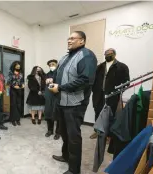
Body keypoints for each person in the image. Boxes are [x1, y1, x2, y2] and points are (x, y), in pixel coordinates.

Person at [48, 31, 97, 174]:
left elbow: (85, 80)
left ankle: (74, 170)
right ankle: (66, 156)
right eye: (68, 38)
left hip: (75, 105)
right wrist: (52, 79)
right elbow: (58, 74)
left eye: (73, 38)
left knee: (73, 137)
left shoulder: (87, 56)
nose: (69, 41)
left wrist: (61, 87)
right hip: (61, 102)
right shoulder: (65, 57)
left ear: (82, 41)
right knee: (64, 133)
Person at [90, 48, 130, 139]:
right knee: (98, 112)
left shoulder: (122, 67)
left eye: (110, 53)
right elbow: (93, 80)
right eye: (106, 53)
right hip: (98, 94)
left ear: (114, 54)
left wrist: (118, 92)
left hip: (112, 95)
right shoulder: (100, 67)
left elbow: (126, 82)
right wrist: (94, 90)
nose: (108, 55)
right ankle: (97, 131)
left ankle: (109, 135)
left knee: (110, 114)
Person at [44, 59, 60, 140]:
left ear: (57, 64)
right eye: (50, 65)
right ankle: (50, 130)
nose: (51, 66)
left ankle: (58, 132)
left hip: (57, 97)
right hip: (49, 97)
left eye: (53, 64)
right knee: (48, 113)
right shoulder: (47, 74)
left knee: (57, 115)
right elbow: (46, 86)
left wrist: (51, 83)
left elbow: (59, 85)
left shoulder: (60, 73)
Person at [7, 61, 25, 126]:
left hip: (19, 90)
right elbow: (8, 82)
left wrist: (23, 84)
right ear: (14, 66)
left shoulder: (21, 72)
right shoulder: (11, 72)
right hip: (13, 90)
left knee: (18, 105)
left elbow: (22, 81)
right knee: (13, 105)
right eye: (17, 65)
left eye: (19, 65)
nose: (18, 66)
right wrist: (14, 86)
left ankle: (18, 119)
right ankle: (13, 120)